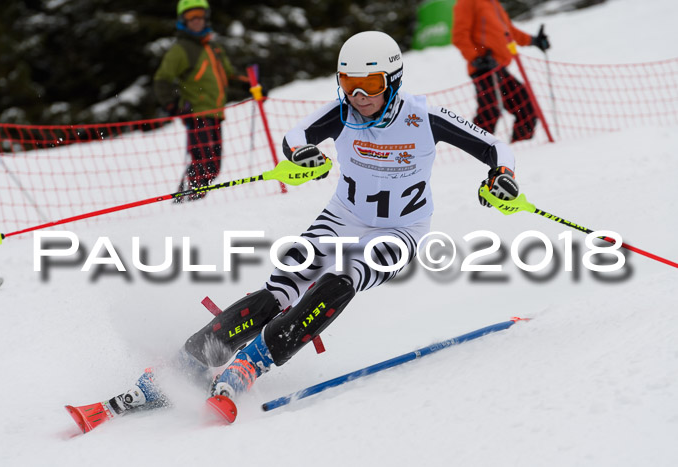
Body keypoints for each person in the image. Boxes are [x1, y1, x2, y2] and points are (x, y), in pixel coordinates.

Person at [74, 31, 521, 428]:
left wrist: (501, 176)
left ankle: (252, 365)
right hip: (342, 217)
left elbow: (494, 146)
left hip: (402, 230)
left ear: (393, 81)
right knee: (280, 289)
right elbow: (296, 136)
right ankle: (188, 362)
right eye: (349, 84)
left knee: (341, 281)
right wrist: (303, 156)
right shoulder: (342, 112)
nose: (359, 95)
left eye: (370, 85)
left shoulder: (423, 117)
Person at [154, 0, 246, 201]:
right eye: (190, 16)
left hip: (215, 114)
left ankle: (187, 197)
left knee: (214, 166)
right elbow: (162, 79)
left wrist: (249, 85)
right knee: (204, 163)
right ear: (182, 21)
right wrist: (172, 105)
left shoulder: (212, 47)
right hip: (196, 114)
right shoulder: (181, 49)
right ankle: (190, 200)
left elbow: (228, 75)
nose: (196, 20)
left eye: (199, 14)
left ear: (206, 17)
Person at [451, 0, 550, 142]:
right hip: (483, 69)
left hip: (499, 67)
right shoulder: (467, 2)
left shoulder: (493, 3)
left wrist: (534, 41)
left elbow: (508, 31)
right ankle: (476, 150)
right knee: (489, 112)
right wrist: (476, 57)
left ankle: (521, 150)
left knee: (526, 108)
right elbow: (459, 35)